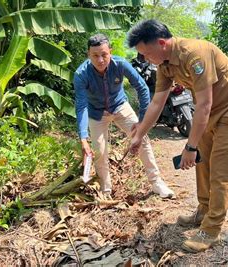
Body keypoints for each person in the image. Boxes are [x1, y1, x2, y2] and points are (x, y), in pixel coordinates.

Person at [127, 20, 228, 252]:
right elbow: (157, 102)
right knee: (203, 164)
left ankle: (212, 230)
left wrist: (190, 146)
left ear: (161, 43)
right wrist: (140, 134)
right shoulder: (164, 65)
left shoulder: (195, 54)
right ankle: (204, 211)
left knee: (221, 171)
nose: (146, 59)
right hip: (210, 114)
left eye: (146, 54)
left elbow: (205, 104)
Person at [74, 33, 174, 199]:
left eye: (104, 54)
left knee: (142, 139)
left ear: (110, 52)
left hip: (120, 106)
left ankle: (157, 183)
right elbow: (81, 105)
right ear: (88, 55)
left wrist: (142, 120)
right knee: (100, 151)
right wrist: (83, 138)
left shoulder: (120, 64)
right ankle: (106, 191)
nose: (100, 60)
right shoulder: (81, 74)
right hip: (96, 112)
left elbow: (142, 87)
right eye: (95, 56)